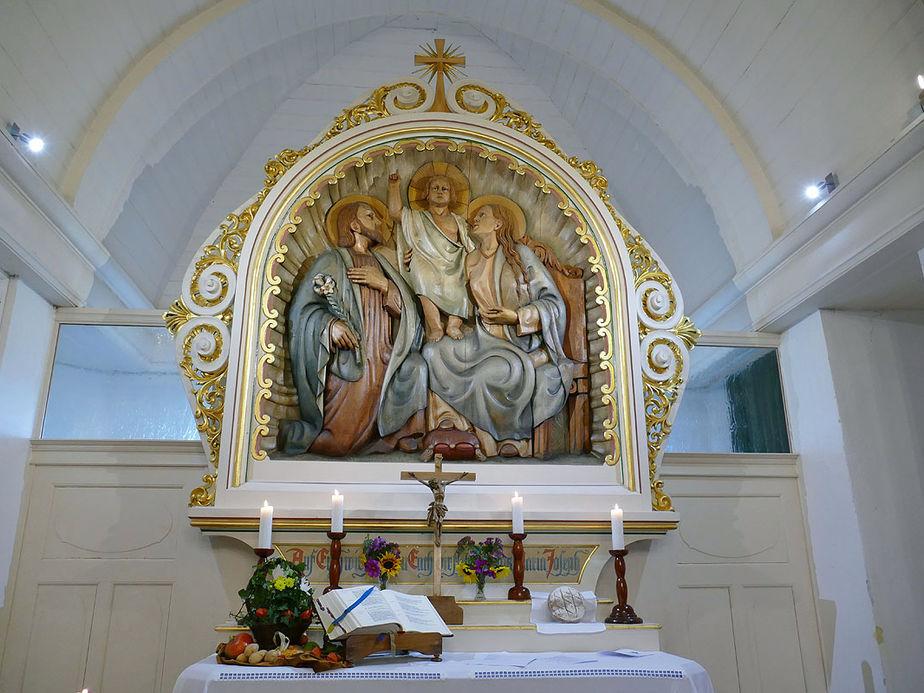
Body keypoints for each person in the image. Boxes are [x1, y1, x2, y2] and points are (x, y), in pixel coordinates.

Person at [424, 198, 574, 457]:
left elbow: (553, 304)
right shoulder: (469, 259)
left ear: (498, 224)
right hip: (480, 338)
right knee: (433, 353)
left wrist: (516, 317)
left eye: (482, 215)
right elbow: (459, 300)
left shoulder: (520, 255)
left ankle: (506, 438)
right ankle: (453, 424)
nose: (475, 219)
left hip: (515, 341)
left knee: (492, 373)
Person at [277, 197, 427, 456]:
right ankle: (298, 436)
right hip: (353, 359)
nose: (379, 221)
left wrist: (385, 284)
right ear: (355, 226)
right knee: (339, 445)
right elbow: (302, 312)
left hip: (387, 356)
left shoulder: (384, 266)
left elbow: (408, 312)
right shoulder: (332, 261)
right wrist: (330, 325)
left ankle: (401, 433)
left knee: (417, 367)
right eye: (370, 217)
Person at [388, 165, 475, 342]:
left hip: (454, 263)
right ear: (426, 194)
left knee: (462, 276)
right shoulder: (417, 217)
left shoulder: (458, 221)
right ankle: (435, 325)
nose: (440, 192)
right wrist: (394, 186)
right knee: (420, 269)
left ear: (452, 196)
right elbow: (395, 212)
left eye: (445, 189)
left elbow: (468, 245)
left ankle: (453, 324)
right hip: (426, 261)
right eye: (435, 188)